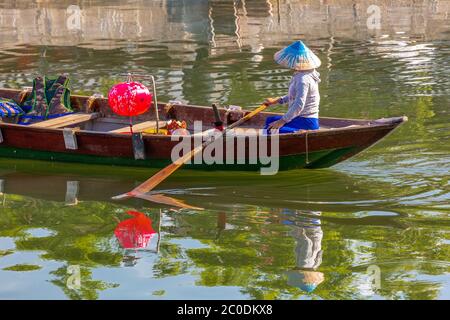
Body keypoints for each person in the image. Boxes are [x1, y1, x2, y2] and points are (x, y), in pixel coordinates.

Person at [265, 40, 321, 133]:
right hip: (300, 117)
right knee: (269, 121)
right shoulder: (302, 73)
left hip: (306, 120)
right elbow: (294, 95)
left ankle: (301, 133)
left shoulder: (303, 79)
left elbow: (299, 105)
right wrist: (278, 100)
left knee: (269, 130)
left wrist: (282, 121)